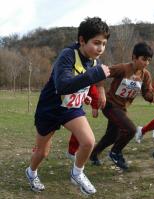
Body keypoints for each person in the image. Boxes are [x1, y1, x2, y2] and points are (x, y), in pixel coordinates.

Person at [25, 17, 110, 195]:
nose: (100, 48)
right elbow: (63, 85)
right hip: (50, 109)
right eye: (96, 43)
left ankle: (76, 173)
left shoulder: (94, 62)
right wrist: (94, 75)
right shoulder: (68, 55)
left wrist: (84, 95)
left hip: (70, 110)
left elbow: (82, 82)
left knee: (88, 142)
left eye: (103, 43)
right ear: (81, 40)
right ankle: (31, 172)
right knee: (42, 152)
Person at [87, 42, 154, 170]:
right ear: (134, 57)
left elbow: (147, 94)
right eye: (144, 59)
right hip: (110, 105)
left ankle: (93, 154)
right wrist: (101, 90)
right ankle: (115, 152)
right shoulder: (123, 68)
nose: (146, 63)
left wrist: (152, 96)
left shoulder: (146, 75)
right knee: (131, 130)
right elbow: (101, 72)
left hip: (122, 109)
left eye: (149, 60)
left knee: (112, 136)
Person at [67, 84, 100, 160]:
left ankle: (72, 152)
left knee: (80, 129)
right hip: (55, 106)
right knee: (47, 131)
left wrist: (94, 106)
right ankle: (38, 148)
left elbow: (91, 87)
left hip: (75, 107)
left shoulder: (86, 73)